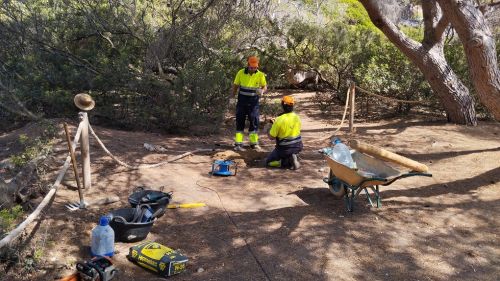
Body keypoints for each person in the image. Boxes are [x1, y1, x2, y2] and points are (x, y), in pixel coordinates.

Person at [232, 56, 267, 151]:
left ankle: (254, 144)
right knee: (240, 121)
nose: (253, 69)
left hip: (253, 102)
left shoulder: (260, 75)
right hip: (242, 101)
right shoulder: (240, 72)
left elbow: (264, 86)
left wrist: (262, 91)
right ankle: (238, 144)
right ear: (248, 65)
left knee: (254, 121)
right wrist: (232, 97)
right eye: (251, 67)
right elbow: (235, 85)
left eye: (255, 67)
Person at [266, 95, 303, 170]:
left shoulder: (279, 120)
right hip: (298, 146)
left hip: (284, 149)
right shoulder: (297, 117)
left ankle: (285, 161)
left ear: (282, 105)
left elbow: (271, 137)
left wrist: (269, 127)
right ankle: (293, 155)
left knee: (268, 162)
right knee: (290, 149)